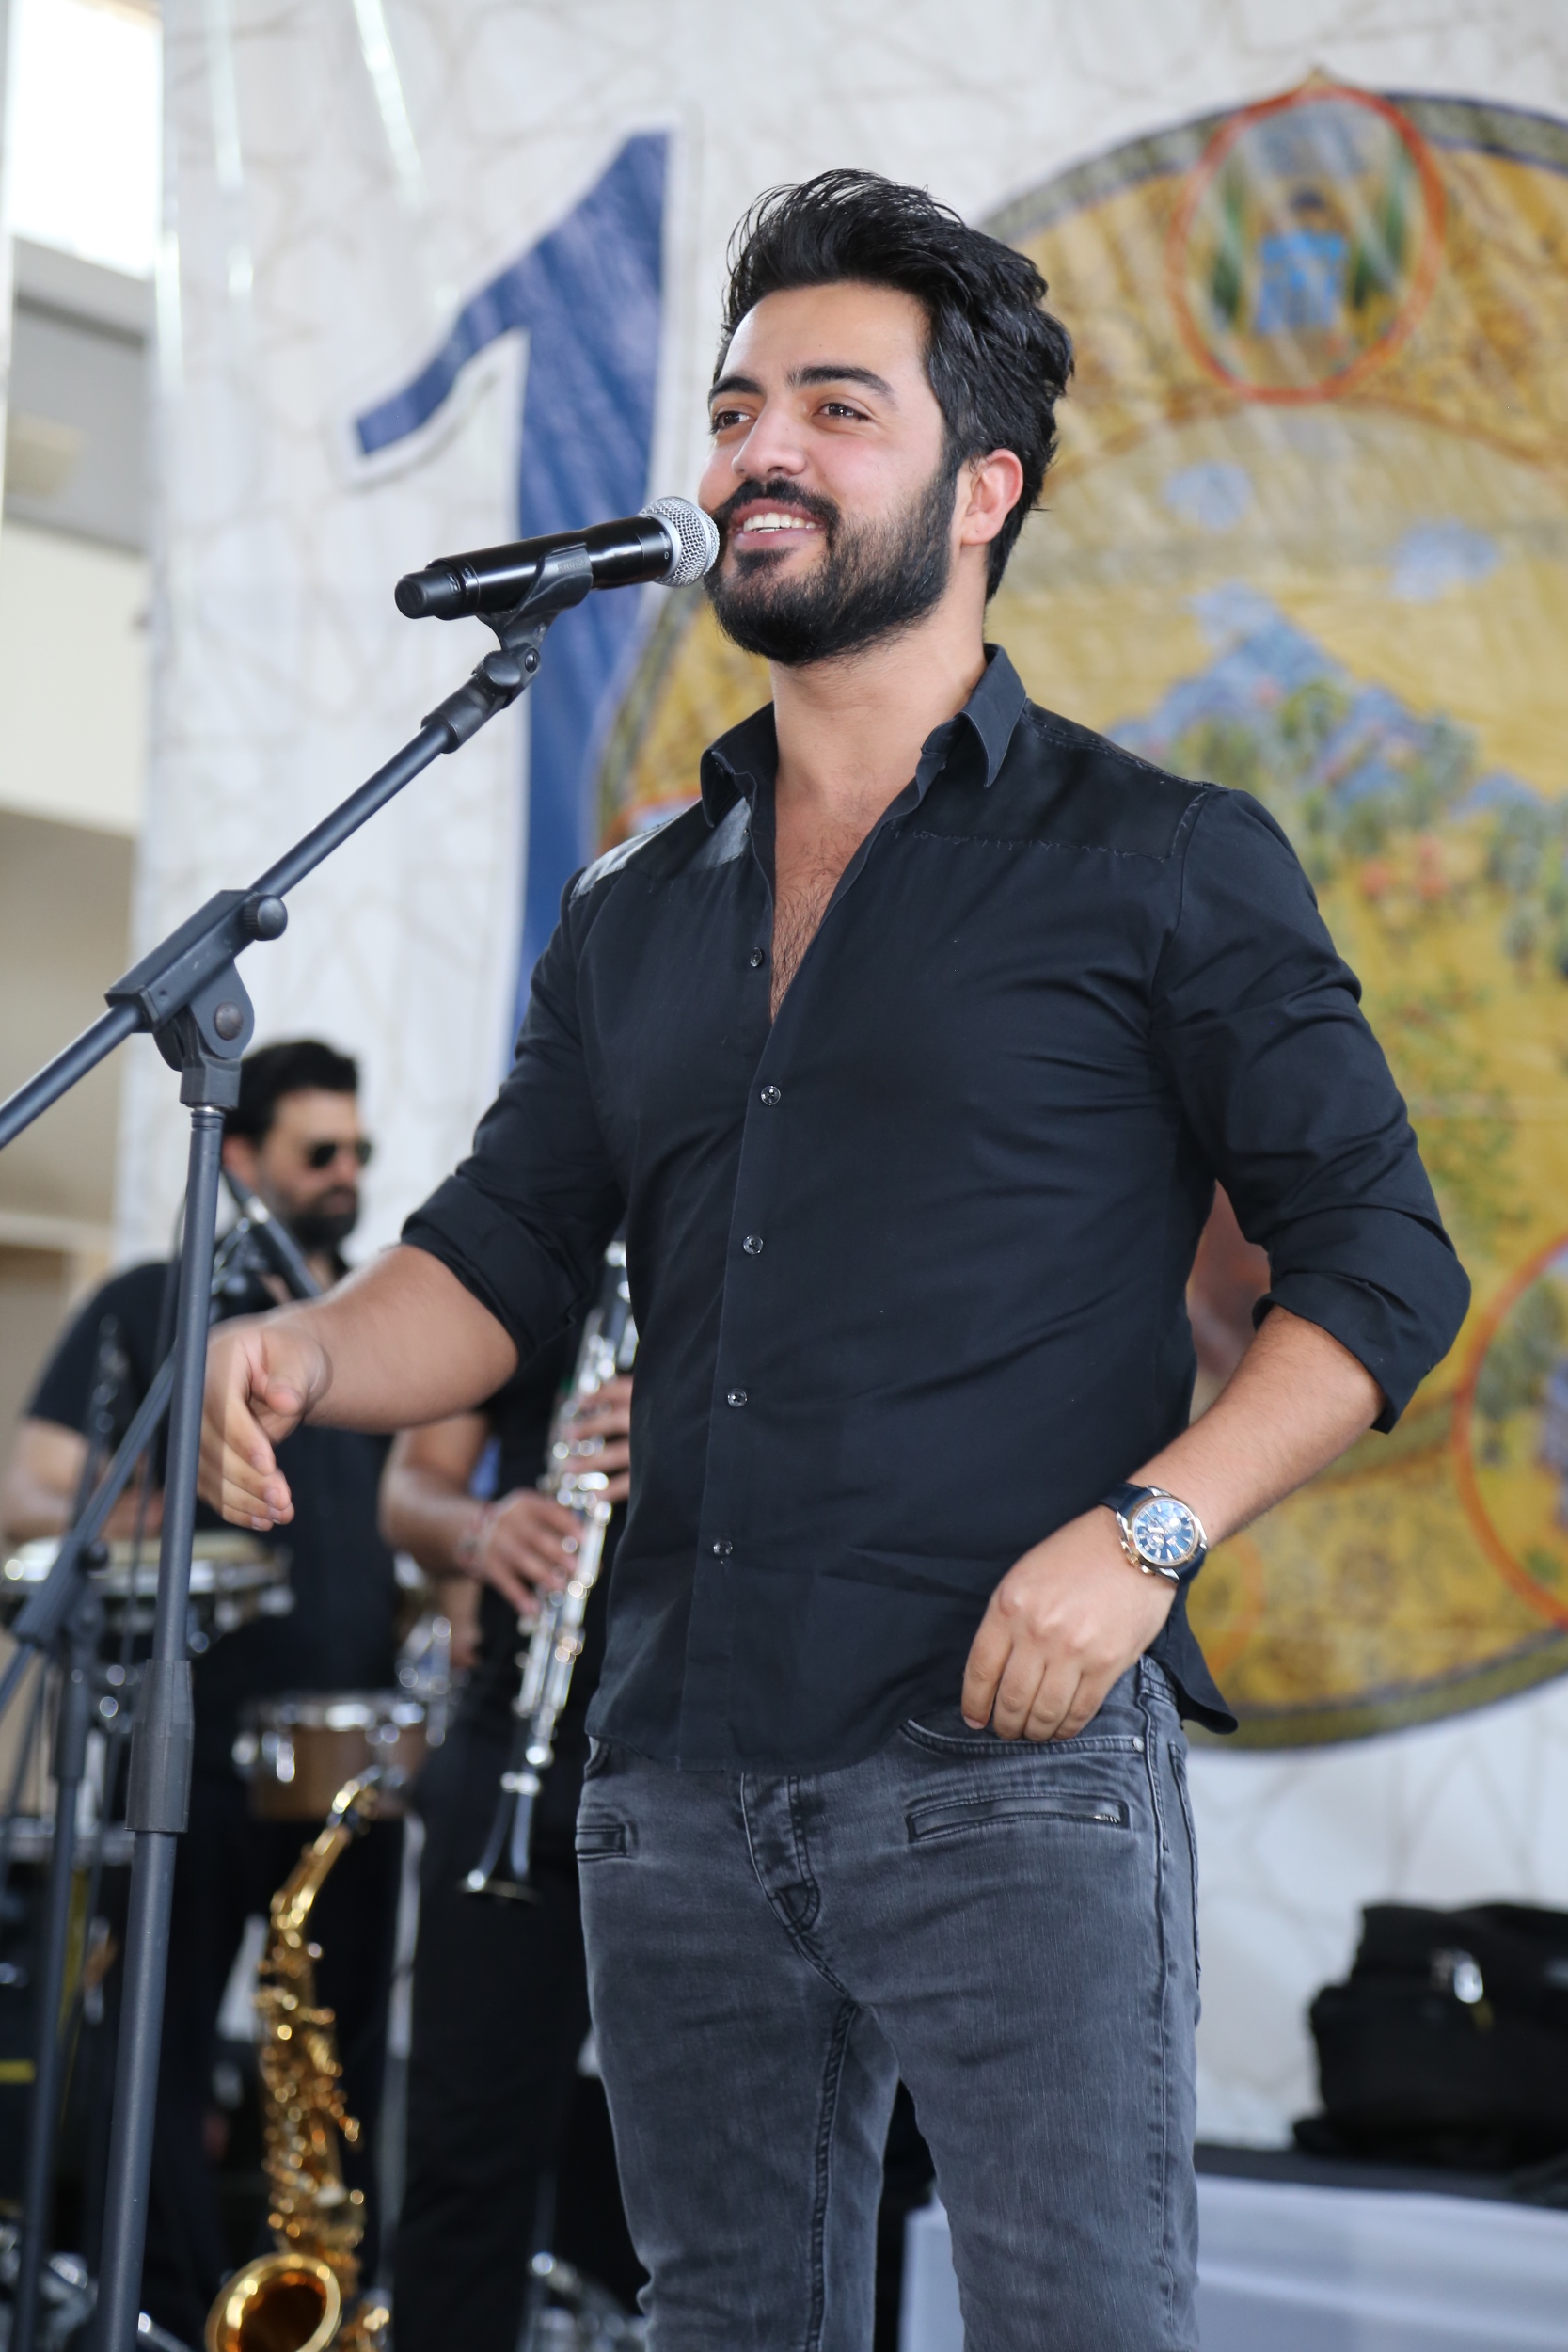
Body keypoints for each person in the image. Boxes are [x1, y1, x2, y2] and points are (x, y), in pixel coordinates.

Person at [198, 173, 1471, 2351]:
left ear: (982, 488)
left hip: (1009, 1770)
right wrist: (310, 1348)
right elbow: (500, 1254)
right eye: (730, 408)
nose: (754, 451)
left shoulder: (1158, 858)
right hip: (669, 1769)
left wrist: (1147, 1535)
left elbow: (1379, 1268)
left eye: (832, 406)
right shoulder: (634, 904)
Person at [2, 1039, 404, 2348]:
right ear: (238, 1157)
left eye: (357, 1152)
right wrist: (158, 1504)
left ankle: (330, 2315)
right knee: (154, 2047)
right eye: (318, 1152)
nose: (345, 1175)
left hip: (344, 1755)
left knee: (337, 2066)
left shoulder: (371, 1328)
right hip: (186, 1737)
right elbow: (28, 1488)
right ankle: (166, 2311)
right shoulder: (148, 1305)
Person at [379, 1348, 640, 2351]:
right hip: (520, 1745)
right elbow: (410, 1490)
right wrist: (483, 1530)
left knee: (744, 2170)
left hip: (718, 1751)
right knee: (464, 2157)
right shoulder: (555, 1261)